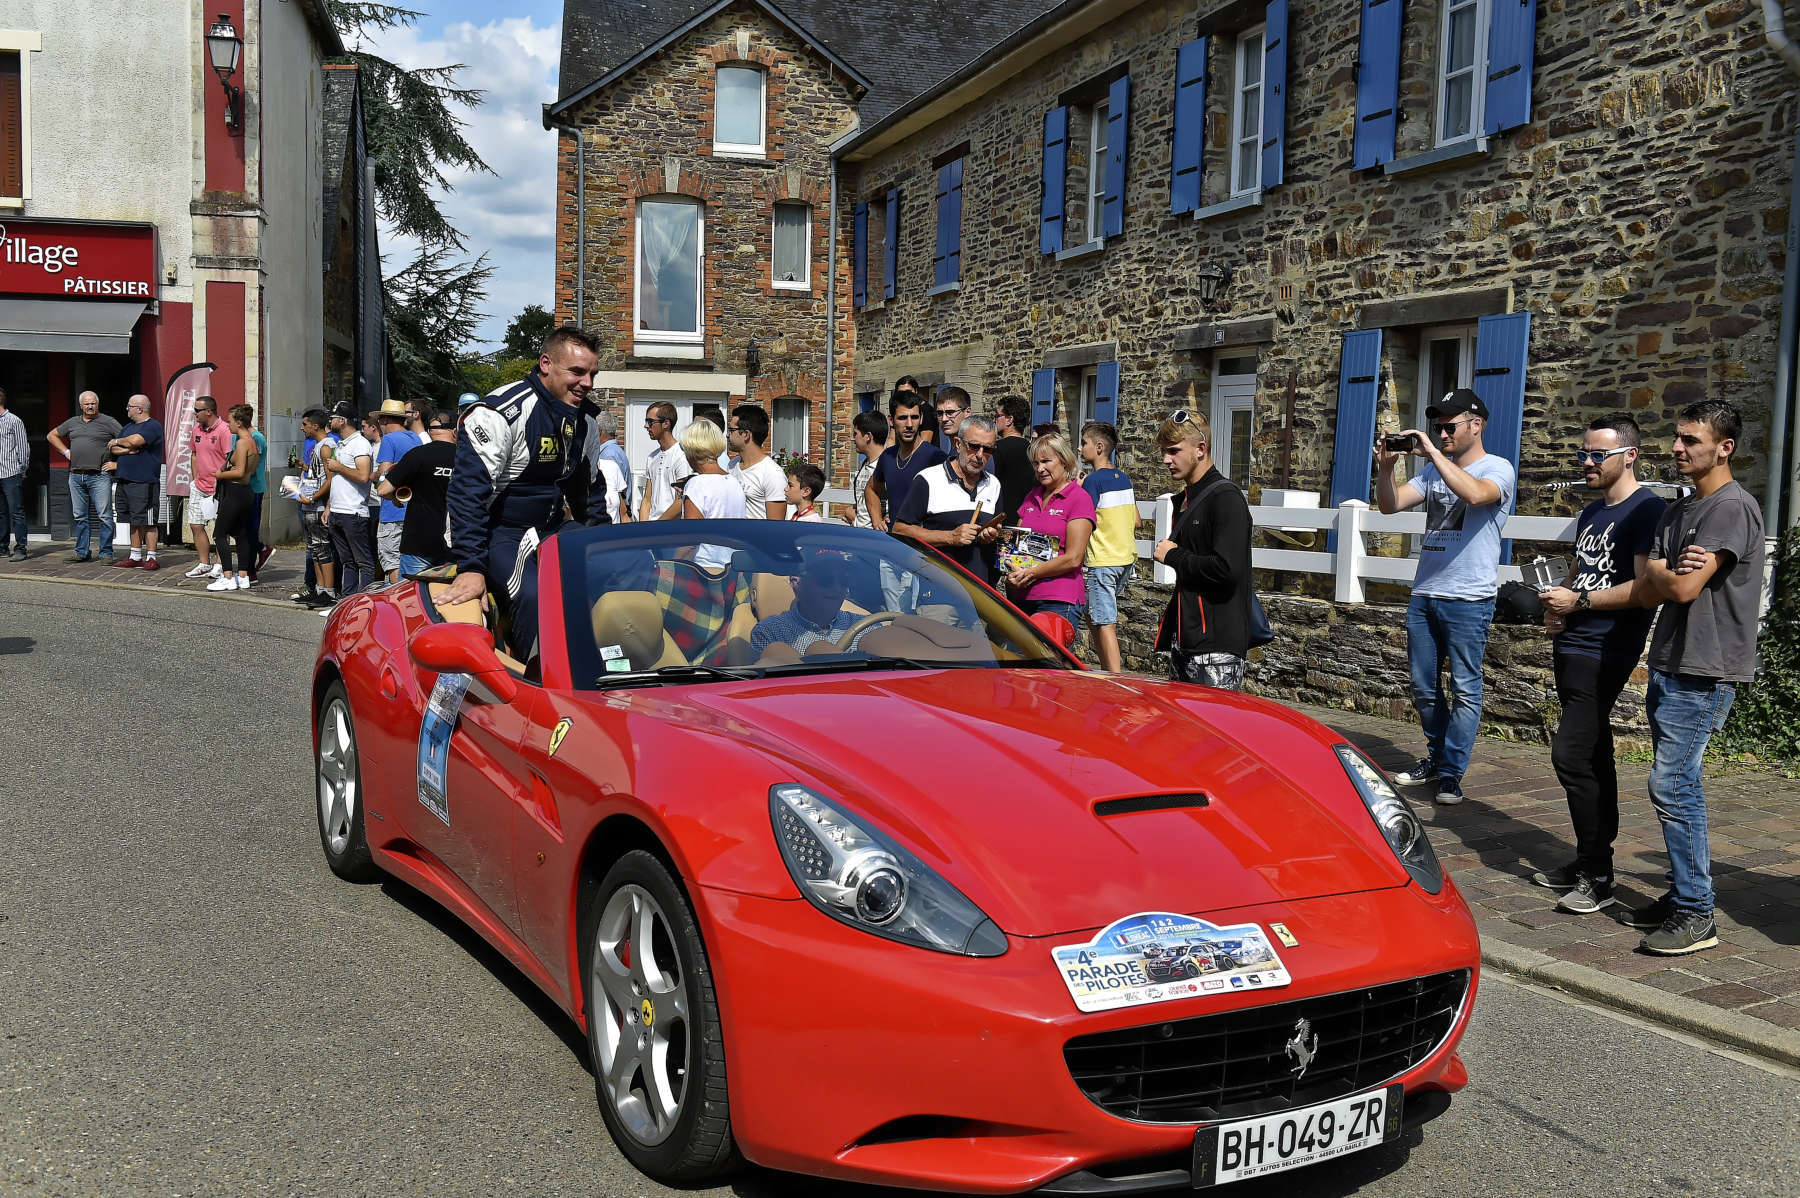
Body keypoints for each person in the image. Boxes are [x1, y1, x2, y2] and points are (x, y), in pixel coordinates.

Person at [1618, 401, 1765, 956]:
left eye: (1690, 440)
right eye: (1677, 438)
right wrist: (1666, 568)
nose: (1676, 448)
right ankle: (1684, 894)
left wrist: (1665, 571)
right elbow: (1651, 578)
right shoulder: (1678, 512)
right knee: (1675, 786)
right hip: (1671, 660)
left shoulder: (1732, 509)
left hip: (1707, 669)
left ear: (1723, 447)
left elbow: (1677, 588)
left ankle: (1698, 911)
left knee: (1672, 785)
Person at [1528, 415, 1664, 915]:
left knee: (1571, 753)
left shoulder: (1647, 510)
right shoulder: (1590, 513)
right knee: (1592, 751)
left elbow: (1645, 588)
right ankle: (1590, 858)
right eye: (1582, 454)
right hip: (1574, 640)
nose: (1585, 462)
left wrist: (1580, 603)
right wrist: (1556, 607)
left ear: (1629, 455)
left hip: (1606, 645)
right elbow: (1580, 573)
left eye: (1595, 455)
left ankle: (1599, 873)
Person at [1375, 388, 1517, 806]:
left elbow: (1476, 495)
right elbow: (1390, 506)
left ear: (1477, 425)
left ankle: (1452, 773)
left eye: (1449, 426)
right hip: (1425, 593)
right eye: (1438, 427)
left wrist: (1432, 452)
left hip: (1469, 598)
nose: (1442, 433)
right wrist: (1386, 469)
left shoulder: (1499, 468)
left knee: (1467, 688)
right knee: (1423, 686)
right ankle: (1436, 759)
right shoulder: (1434, 472)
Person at [441, 326, 602, 657]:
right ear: (546, 364)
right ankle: (538, 680)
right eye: (577, 371)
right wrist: (471, 566)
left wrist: (605, 546)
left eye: (591, 374)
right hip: (500, 532)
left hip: (552, 527)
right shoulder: (498, 412)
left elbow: (591, 495)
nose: (586, 382)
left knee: (615, 577)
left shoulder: (586, 421)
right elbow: (466, 494)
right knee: (533, 594)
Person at [1153, 410, 1253, 689]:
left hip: (1216, 645)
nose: (1166, 460)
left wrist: (1173, 556)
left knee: (1214, 730)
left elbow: (1227, 568)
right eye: (1164, 451)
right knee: (1183, 731)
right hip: (1187, 638)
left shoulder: (1226, 498)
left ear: (1200, 449)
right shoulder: (1187, 498)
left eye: (1173, 451)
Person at [1003, 431, 1095, 638]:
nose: (1040, 468)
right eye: (1035, 463)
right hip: (1023, 596)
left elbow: (1073, 558)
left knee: (1048, 667)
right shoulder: (1031, 496)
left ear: (1064, 461)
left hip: (1059, 598)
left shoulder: (1079, 498)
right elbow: (1016, 548)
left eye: (1046, 461)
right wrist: (1012, 572)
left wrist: (1031, 573)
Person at [891, 414, 1004, 582]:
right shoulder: (929, 479)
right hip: (939, 592)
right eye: (974, 446)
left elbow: (997, 538)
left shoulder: (993, 484)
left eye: (988, 449)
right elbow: (900, 530)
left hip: (982, 595)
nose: (980, 455)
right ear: (958, 444)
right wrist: (950, 537)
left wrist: (990, 535)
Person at [1080, 420, 1137, 672]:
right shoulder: (1124, 478)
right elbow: (1137, 520)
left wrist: (1080, 489)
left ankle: (1116, 681)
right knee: (1092, 614)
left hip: (1103, 560)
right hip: (1125, 559)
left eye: (1084, 443)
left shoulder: (1093, 481)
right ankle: (1106, 670)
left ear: (1099, 447)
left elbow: (1083, 518)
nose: (1080, 449)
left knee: (1105, 623)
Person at [378, 407, 457, 576]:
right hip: (455, 542)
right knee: (445, 598)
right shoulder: (466, 458)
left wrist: (395, 499)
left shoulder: (417, 455)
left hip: (418, 541)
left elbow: (383, 490)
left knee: (411, 599)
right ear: (455, 431)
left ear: (430, 431)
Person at [49, 390, 123, 563]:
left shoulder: (108, 422)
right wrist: (65, 451)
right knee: (80, 516)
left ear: (98, 404)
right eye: (87, 404)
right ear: (81, 406)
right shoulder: (73, 422)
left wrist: (118, 464)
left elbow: (128, 440)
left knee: (104, 516)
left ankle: (106, 553)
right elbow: (51, 435)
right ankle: (82, 552)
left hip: (99, 476)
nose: (90, 406)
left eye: (93, 403)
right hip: (75, 476)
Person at [749, 550, 862, 656]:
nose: (837, 588)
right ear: (796, 583)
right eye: (825, 579)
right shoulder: (770, 632)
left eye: (844, 580)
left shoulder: (864, 625)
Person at [322, 401, 376, 598]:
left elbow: (363, 476)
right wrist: (329, 506)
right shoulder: (341, 443)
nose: (330, 421)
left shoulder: (360, 444)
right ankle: (346, 603)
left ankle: (364, 603)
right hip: (338, 511)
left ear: (342, 421)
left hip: (353, 512)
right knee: (347, 562)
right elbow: (337, 481)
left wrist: (339, 467)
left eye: (333, 418)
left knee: (364, 562)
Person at [676, 419, 746, 571]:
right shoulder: (734, 482)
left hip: (704, 570)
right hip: (733, 568)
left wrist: (670, 566)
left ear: (692, 451)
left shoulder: (696, 484)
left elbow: (690, 541)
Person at [207, 404, 261, 592]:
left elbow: (240, 472)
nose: (228, 425)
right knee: (241, 534)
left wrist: (220, 475)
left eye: (230, 422)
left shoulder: (242, 442)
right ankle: (243, 575)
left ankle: (228, 576)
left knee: (220, 534)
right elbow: (248, 471)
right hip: (246, 493)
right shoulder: (254, 441)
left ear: (239, 422)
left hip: (236, 492)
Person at [107, 393, 165, 570]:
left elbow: (136, 441)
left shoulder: (152, 426)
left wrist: (119, 441)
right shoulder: (128, 427)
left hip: (144, 481)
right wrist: (126, 450)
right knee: (133, 519)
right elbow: (113, 448)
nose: (127, 409)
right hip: (125, 480)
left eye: (129, 406)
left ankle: (152, 557)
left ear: (139, 409)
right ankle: (135, 555)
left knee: (147, 520)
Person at [371, 399, 423, 582]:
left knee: (392, 562)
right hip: (414, 511)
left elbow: (386, 472)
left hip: (393, 512)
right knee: (409, 564)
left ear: (384, 420)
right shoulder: (415, 438)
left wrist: (374, 475)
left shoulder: (389, 439)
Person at [182, 397, 233, 579]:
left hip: (219, 487)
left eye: (197, 410)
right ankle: (204, 563)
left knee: (220, 529)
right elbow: (194, 454)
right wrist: (195, 478)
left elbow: (230, 459)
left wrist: (219, 479)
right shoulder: (196, 429)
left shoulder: (224, 430)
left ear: (209, 411)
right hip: (199, 485)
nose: (194, 413)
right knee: (196, 524)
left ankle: (220, 564)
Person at [293, 407, 339, 607]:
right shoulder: (319, 445)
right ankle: (319, 589)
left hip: (318, 506)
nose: (302, 428)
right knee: (314, 548)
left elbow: (331, 480)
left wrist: (314, 498)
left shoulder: (326, 446)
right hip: (310, 504)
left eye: (305, 424)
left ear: (315, 425)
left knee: (323, 547)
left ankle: (328, 591)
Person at [727, 405, 788, 520]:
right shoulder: (732, 464)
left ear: (746, 434)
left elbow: (776, 526)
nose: (727, 435)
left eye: (731, 430)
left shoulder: (772, 474)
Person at [639, 401, 692, 522]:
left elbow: (680, 501)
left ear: (666, 424)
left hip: (670, 529)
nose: (646, 426)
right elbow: (647, 499)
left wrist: (657, 526)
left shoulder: (681, 455)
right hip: (653, 528)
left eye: (650, 421)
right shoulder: (651, 457)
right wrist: (643, 528)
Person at [990, 393, 1037, 520]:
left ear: (1010, 419)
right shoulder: (1034, 450)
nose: (994, 420)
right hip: (1028, 517)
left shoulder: (996, 449)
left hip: (1002, 519)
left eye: (997, 416)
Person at [0, 387, 30, 560]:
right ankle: (2, 547)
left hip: (11, 472)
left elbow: (23, 447)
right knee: (1, 513)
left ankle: (21, 548)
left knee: (16, 511)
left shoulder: (14, 421)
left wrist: (22, 470)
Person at [850, 409, 889, 530]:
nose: (852, 438)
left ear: (868, 436)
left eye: (855, 434)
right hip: (861, 535)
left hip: (878, 538)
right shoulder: (865, 464)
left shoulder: (889, 465)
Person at [934, 386, 973, 459]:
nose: (944, 419)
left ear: (967, 412)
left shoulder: (974, 451)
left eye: (950, 412)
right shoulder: (954, 451)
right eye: (939, 413)